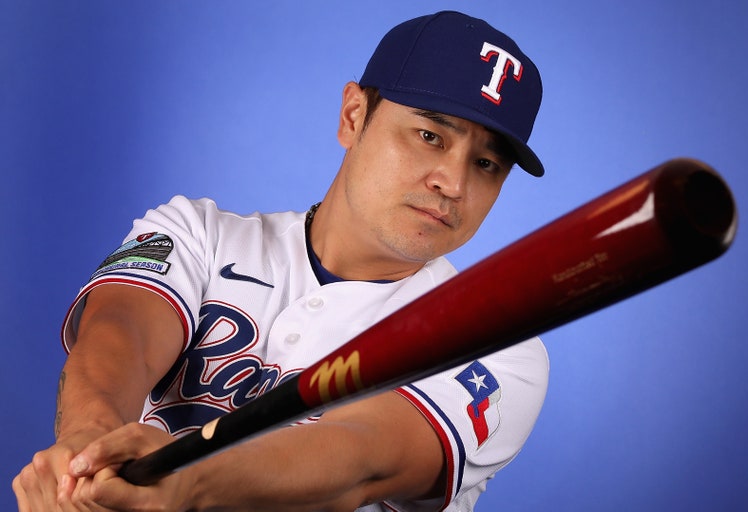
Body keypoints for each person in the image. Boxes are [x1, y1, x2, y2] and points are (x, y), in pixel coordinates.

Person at [14, 10, 549, 511]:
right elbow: (118, 332)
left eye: (485, 164)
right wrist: (87, 450)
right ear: (353, 116)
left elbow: (365, 459)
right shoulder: (199, 234)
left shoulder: (498, 343)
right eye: (430, 136)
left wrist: (189, 480)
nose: (452, 183)